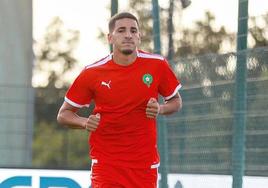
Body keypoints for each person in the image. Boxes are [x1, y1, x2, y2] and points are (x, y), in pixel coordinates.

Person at [57, 12, 182, 188]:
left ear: (139, 36)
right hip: (107, 163)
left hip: (144, 165)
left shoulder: (157, 65)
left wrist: (160, 109)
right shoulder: (92, 73)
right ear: (110, 37)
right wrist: (85, 122)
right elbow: (64, 114)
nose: (128, 35)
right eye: (121, 30)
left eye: (133, 30)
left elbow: (176, 101)